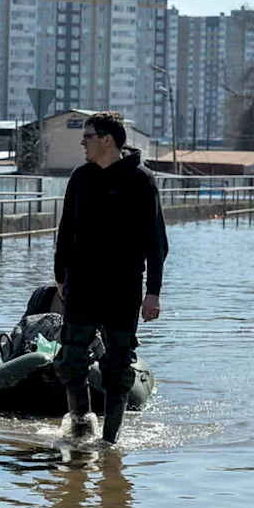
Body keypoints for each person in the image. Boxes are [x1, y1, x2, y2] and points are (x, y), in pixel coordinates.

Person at [53, 111, 168, 445]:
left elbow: (157, 242)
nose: (82, 143)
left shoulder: (141, 180)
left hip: (123, 289)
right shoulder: (81, 178)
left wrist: (153, 292)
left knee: (117, 370)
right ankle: (81, 425)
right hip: (82, 287)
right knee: (71, 361)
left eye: (87, 136)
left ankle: (109, 441)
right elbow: (65, 232)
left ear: (107, 140)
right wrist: (60, 276)